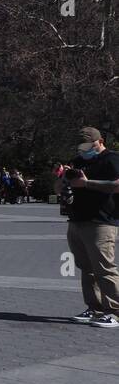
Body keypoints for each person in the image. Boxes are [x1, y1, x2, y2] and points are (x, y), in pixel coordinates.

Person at [59, 127, 119, 328]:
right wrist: (62, 179)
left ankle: (115, 311)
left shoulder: (111, 159)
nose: (84, 151)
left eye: (89, 146)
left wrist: (87, 184)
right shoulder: (77, 161)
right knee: (87, 268)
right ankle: (95, 308)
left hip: (101, 221)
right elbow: (59, 187)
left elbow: (116, 184)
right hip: (77, 220)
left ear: (100, 141)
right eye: (81, 147)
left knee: (104, 268)